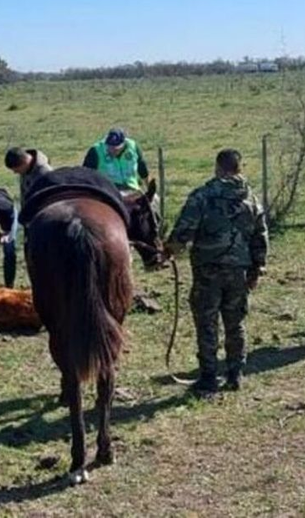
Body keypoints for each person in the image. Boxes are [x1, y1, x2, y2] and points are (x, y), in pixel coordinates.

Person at [165, 149, 268, 393]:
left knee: (207, 322)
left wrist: (169, 250)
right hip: (239, 273)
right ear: (239, 168)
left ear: (218, 168)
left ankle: (209, 376)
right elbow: (260, 237)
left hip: (207, 271)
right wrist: (257, 268)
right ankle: (235, 373)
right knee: (236, 322)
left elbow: (183, 231)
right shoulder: (252, 199)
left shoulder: (202, 197)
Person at [82, 127, 150, 192]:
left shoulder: (133, 147)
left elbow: (142, 169)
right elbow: (86, 174)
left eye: (116, 149)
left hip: (131, 188)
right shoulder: (96, 151)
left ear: (124, 143)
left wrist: (148, 188)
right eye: (110, 148)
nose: (112, 151)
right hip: (107, 189)